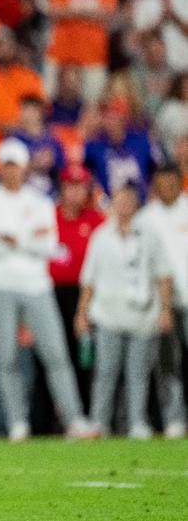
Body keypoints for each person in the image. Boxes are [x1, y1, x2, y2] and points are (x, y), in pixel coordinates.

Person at [0, 138, 96, 442]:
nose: (11, 172)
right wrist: (28, 240)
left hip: (36, 285)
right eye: (6, 166)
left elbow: (48, 246)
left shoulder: (39, 202)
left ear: (24, 167)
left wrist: (14, 240)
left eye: (16, 165)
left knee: (56, 353)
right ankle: (17, 422)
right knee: (7, 357)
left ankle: (73, 418)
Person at [76, 182, 174, 439]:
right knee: (106, 372)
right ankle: (99, 421)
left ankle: (137, 422)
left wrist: (165, 309)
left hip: (142, 314)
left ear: (136, 204)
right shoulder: (101, 236)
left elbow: (163, 275)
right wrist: (81, 313)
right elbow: (89, 279)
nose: (124, 206)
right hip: (108, 313)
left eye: (129, 201)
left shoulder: (149, 235)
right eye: (119, 201)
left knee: (138, 374)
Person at [138, 164, 188, 439]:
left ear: (180, 183)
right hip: (161, 304)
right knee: (167, 364)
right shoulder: (146, 218)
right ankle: (174, 418)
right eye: (162, 184)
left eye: (172, 184)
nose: (167, 189)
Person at [48, 165, 103, 413]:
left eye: (80, 187)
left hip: (85, 295)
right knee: (52, 356)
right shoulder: (49, 217)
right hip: (52, 294)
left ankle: (86, 412)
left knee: (85, 357)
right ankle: (49, 419)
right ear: (62, 188)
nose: (74, 192)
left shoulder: (97, 220)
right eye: (70, 186)